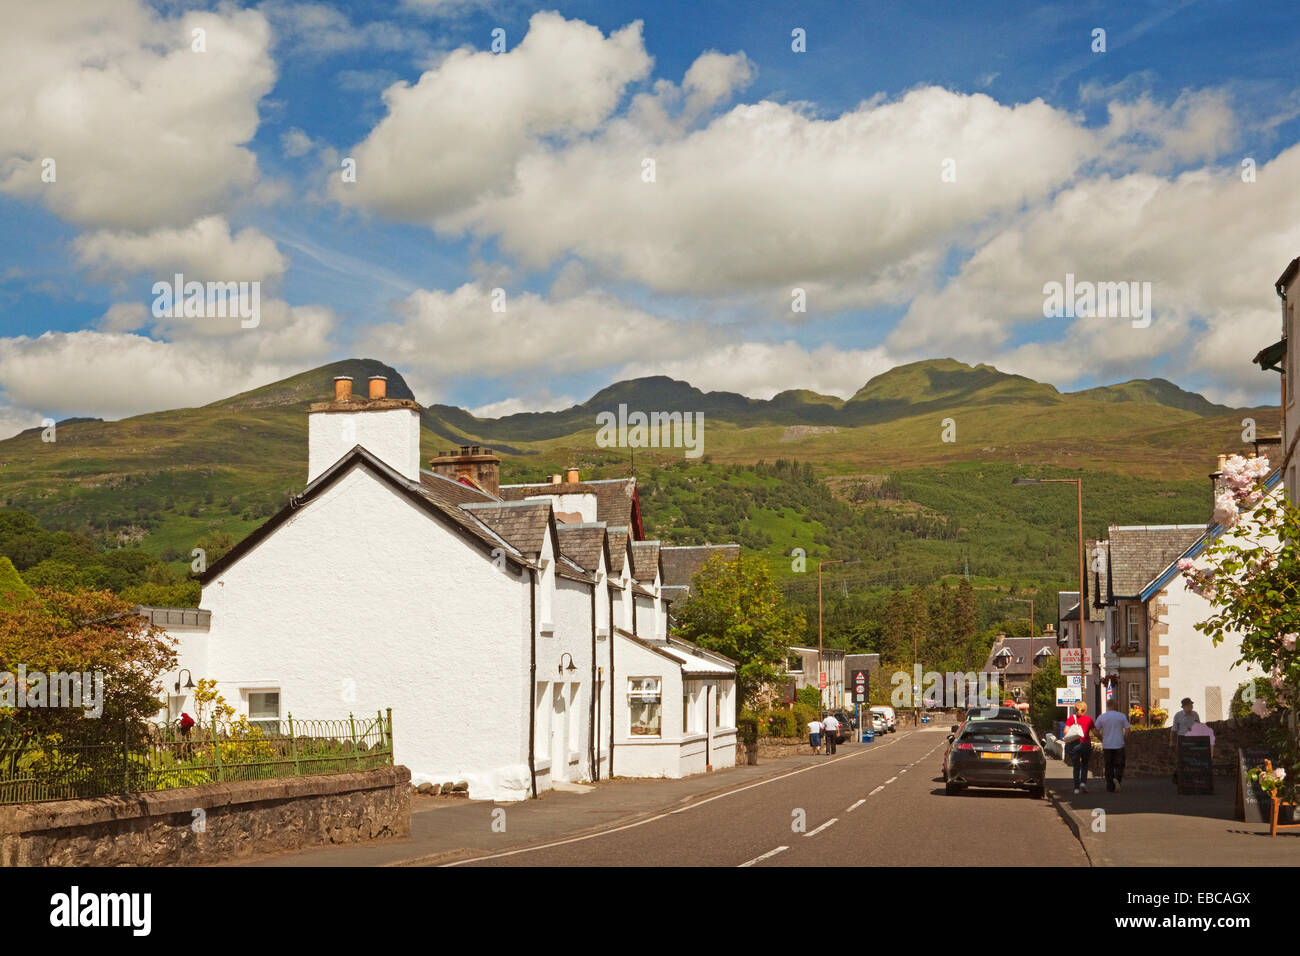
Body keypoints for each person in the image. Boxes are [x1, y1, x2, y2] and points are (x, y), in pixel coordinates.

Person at [1094, 698, 1131, 792]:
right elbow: (1127, 730)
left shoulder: (1102, 717)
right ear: (1114, 705)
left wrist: (1101, 738)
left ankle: (1110, 785)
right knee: (1120, 764)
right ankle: (1117, 779)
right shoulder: (1121, 716)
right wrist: (1124, 738)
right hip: (1119, 744)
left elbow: (1095, 731)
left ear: (1107, 706)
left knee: (1108, 765)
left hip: (1107, 745)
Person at [1063, 701, 1095, 794]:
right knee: (1085, 764)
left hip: (1074, 745)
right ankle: (1083, 782)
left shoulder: (1071, 718)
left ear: (1075, 709)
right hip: (1085, 744)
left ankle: (1076, 788)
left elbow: (1065, 732)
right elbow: (1095, 732)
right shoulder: (1089, 719)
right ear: (1085, 710)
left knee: (1076, 766)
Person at [1170, 698, 1200, 781]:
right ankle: (1177, 776)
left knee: (1193, 758)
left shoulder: (1195, 714)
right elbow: (1174, 729)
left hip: (1193, 739)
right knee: (1181, 759)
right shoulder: (1178, 715)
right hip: (1182, 739)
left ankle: (1190, 777)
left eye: (1191, 705)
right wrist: (1172, 741)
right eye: (1189, 705)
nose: (1191, 707)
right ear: (1184, 707)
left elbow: (1199, 726)